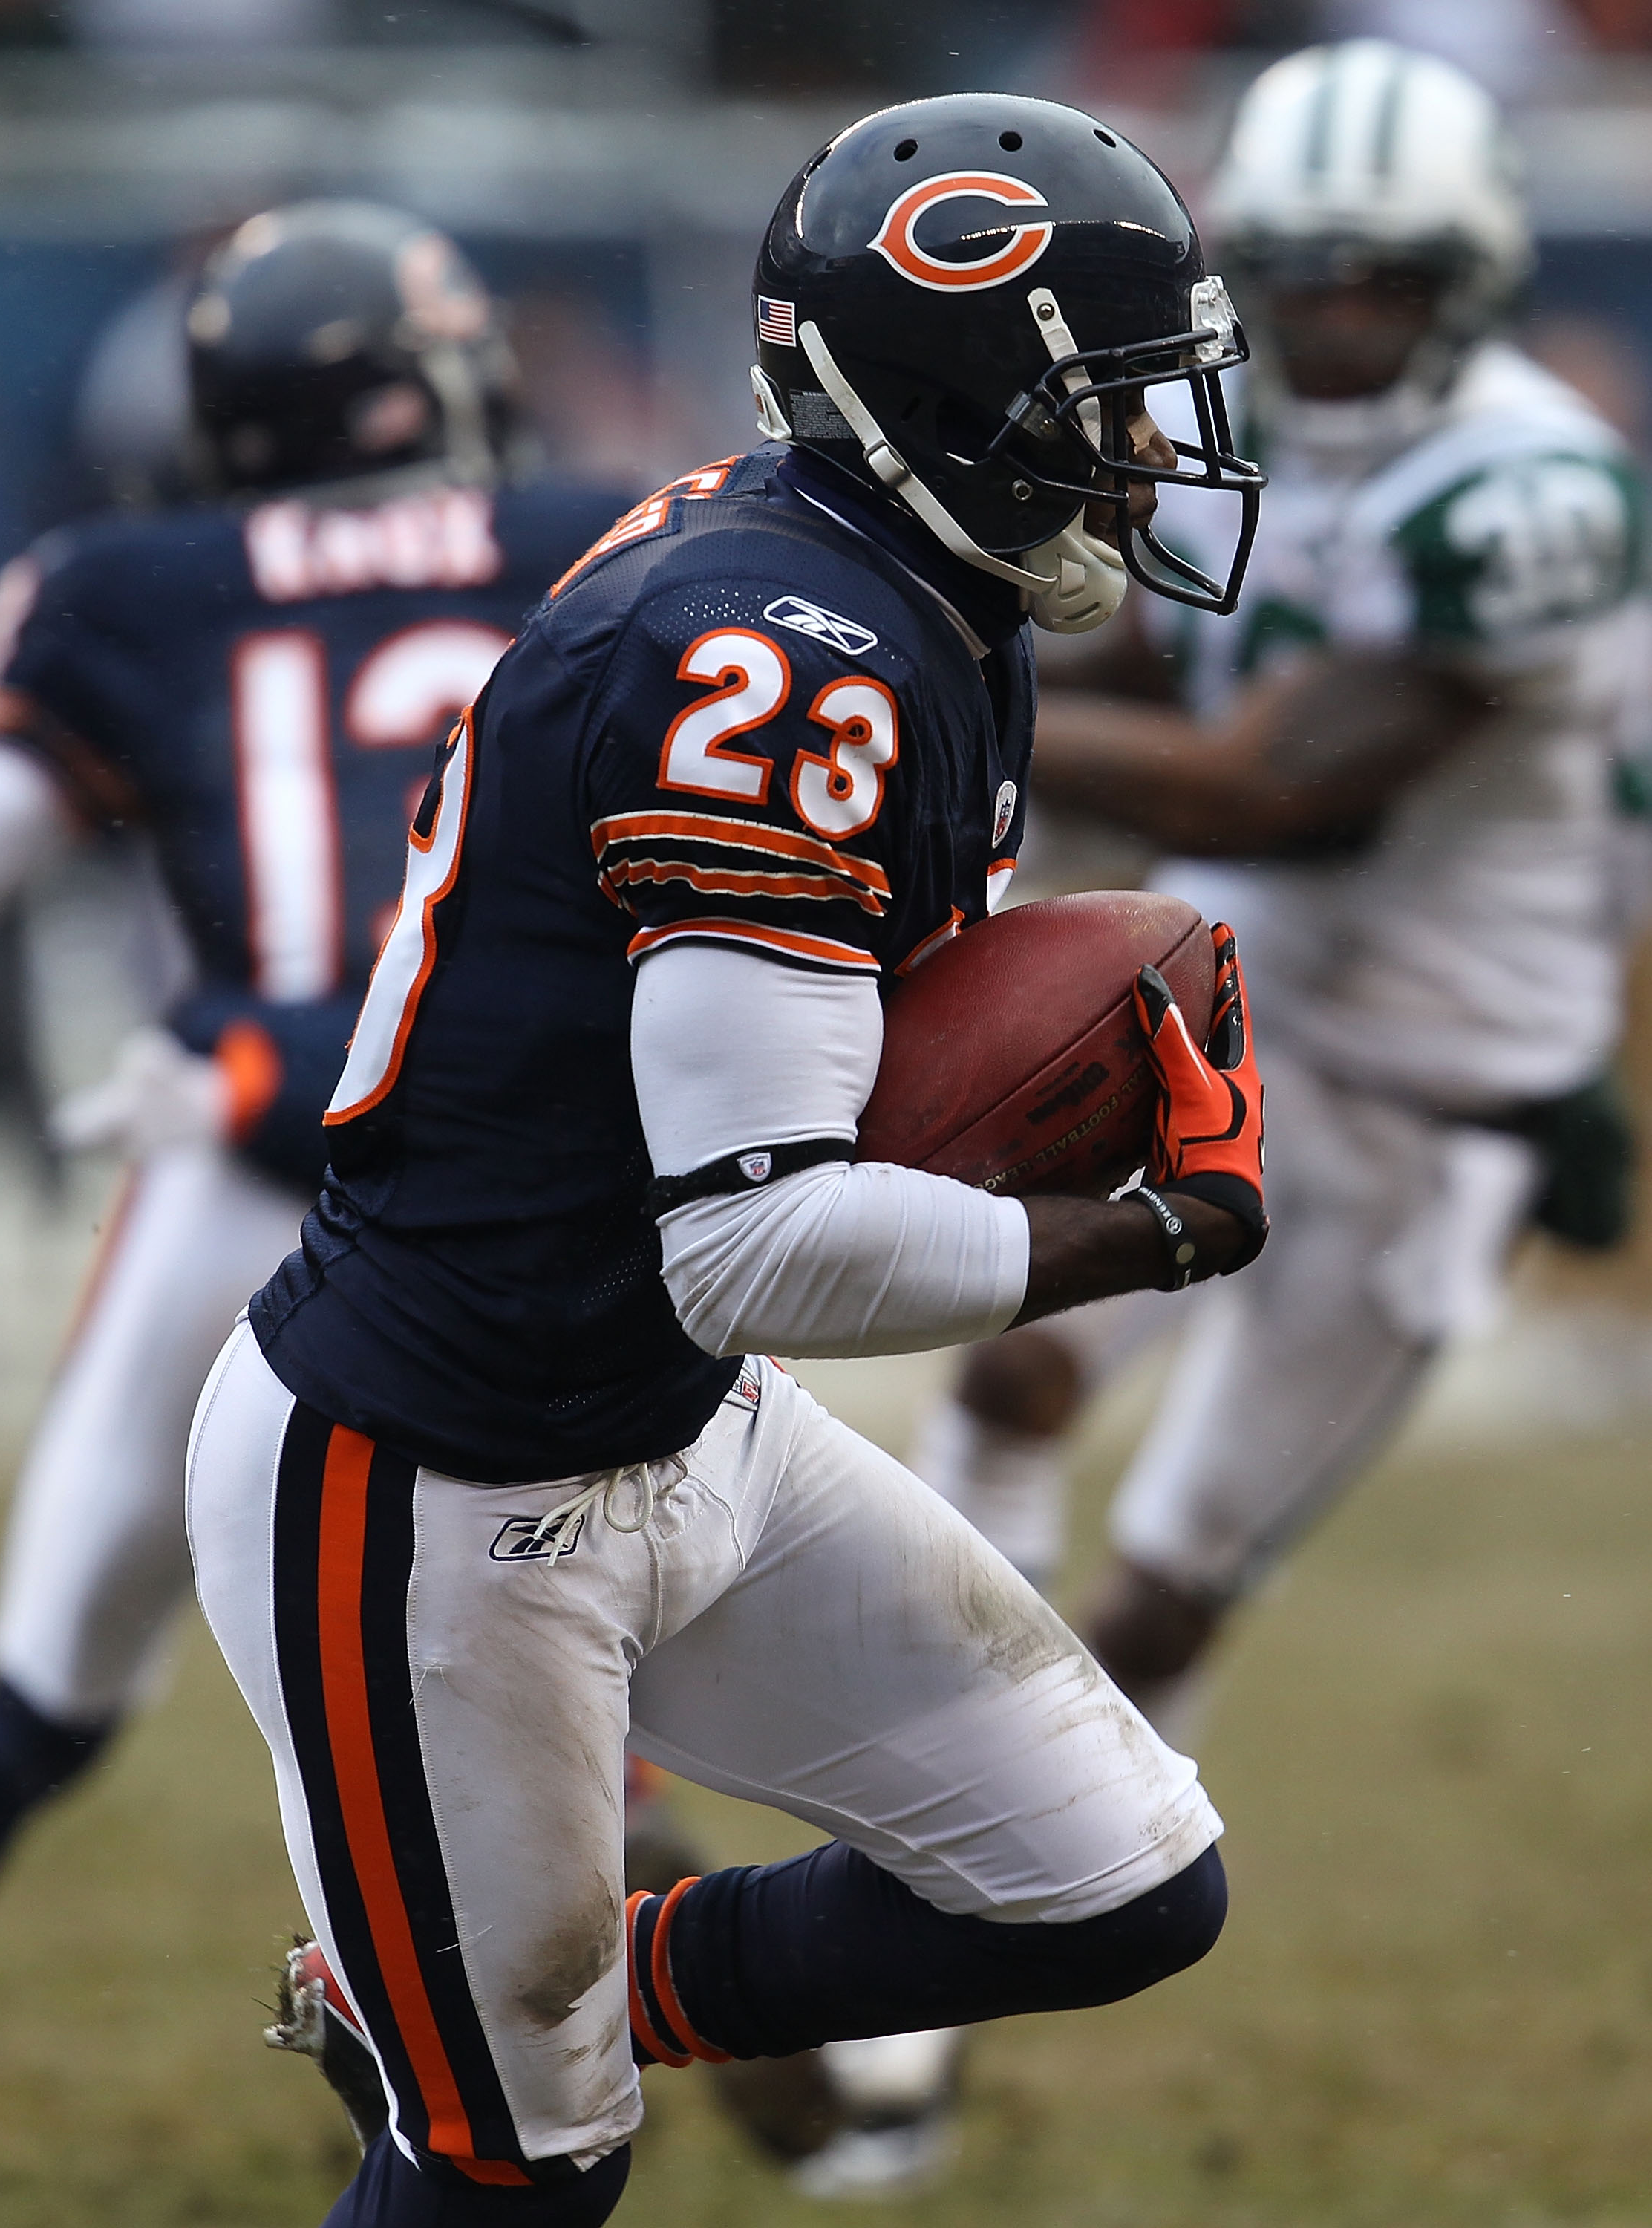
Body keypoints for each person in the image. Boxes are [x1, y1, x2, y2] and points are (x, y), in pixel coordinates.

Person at [186, 89, 1269, 2227]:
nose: (1153, 455)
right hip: (431, 1471)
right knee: (517, 2175)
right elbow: (752, 1249)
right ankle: (474, 2041)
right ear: (956, 401)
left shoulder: (883, 575)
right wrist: (1142, 1228)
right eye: (1106, 406)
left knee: (1114, 1884)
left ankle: (451, 1997)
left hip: (674, 1429)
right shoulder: (787, 659)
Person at [913, 39, 1645, 1743]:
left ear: (1472, 285)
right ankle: (913, 1770)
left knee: (1168, 1582)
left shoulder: (1535, 495)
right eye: (1295, 279)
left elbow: (1276, 792)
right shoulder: (1224, 415)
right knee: (1012, 1356)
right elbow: (1166, 681)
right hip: (1224, 1010)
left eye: (1378, 284)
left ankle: (1024, 1902)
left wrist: (949, 706)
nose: (1327, 324)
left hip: (1433, 1089)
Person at [0, 198, 628, 1942]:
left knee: (45, 1689)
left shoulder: (126, 590)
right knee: (571, 1668)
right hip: (522, 1187)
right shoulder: (600, 541)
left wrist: (262, 1061)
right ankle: (736, 2043)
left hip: (239, 1168)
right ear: (429, 391)